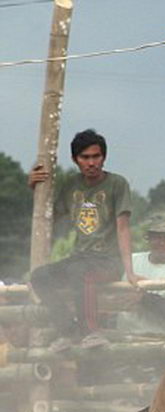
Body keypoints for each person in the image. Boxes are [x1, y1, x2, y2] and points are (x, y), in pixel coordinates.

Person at [28, 129, 138, 350]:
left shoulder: (117, 184)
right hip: (79, 259)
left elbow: (123, 228)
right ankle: (68, 331)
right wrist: (35, 188)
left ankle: (91, 331)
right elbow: (50, 218)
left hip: (107, 261)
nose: (91, 163)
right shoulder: (71, 185)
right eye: (85, 157)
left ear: (103, 157)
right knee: (39, 277)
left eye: (96, 156)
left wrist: (129, 271)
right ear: (75, 160)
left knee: (81, 272)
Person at [116, 214, 165, 336]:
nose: (162, 243)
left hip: (159, 339)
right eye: (157, 237)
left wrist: (144, 298)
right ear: (149, 239)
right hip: (123, 335)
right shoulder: (131, 261)